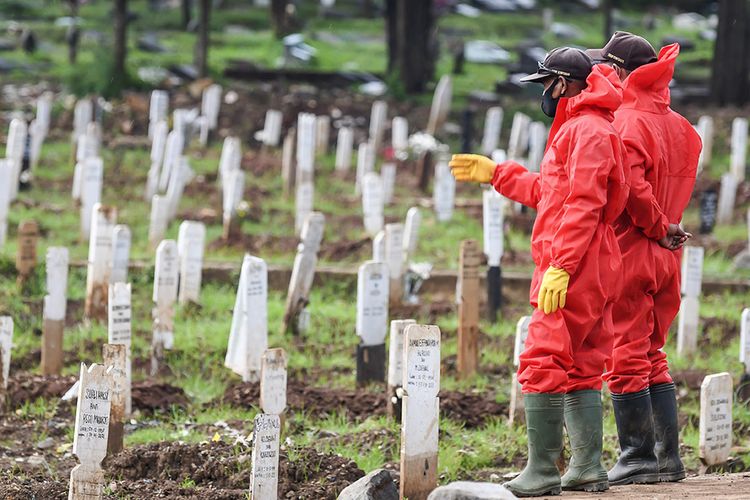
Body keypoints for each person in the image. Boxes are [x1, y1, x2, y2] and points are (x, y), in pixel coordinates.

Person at [450, 47, 628, 497]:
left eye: (547, 83)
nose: (544, 93)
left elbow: (584, 204)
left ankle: (542, 471)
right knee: (585, 361)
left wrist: (562, 266)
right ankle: (587, 468)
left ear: (566, 83)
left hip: (575, 259)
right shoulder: (591, 126)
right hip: (594, 256)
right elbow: (553, 193)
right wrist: (498, 174)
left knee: (543, 357)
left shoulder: (585, 131)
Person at [587, 32, 701, 485]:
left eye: (603, 67)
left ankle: (637, 456)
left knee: (626, 351)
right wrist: (667, 228)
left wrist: (656, 225)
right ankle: (666, 458)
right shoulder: (681, 126)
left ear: (617, 71)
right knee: (652, 351)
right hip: (665, 252)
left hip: (636, 243)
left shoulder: (627, 121)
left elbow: (634, 189)